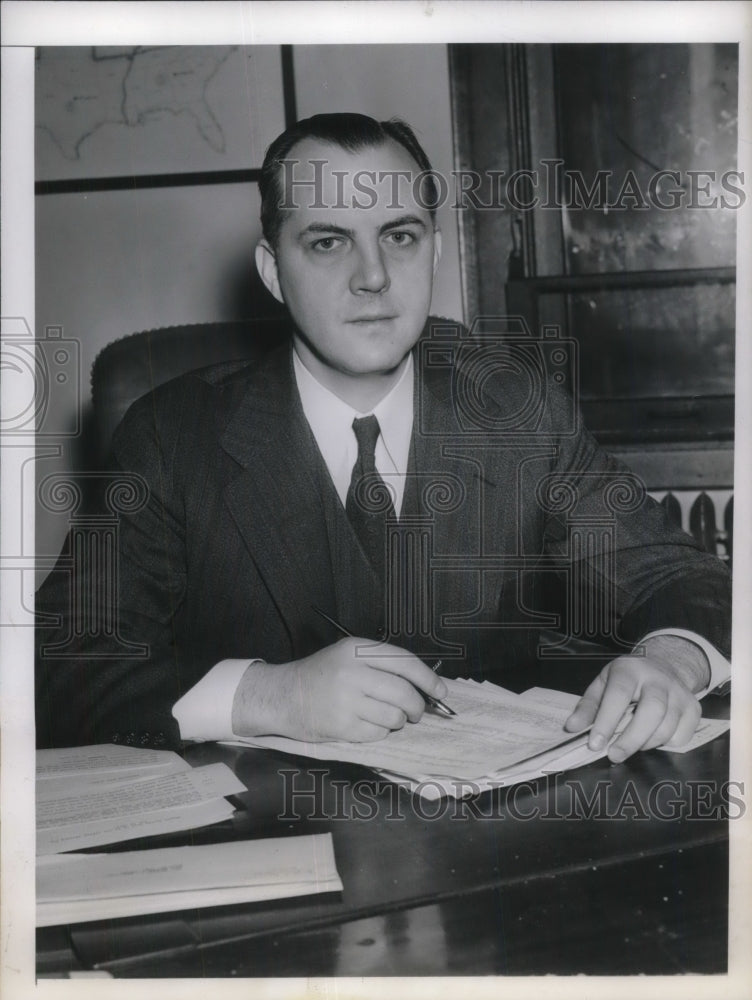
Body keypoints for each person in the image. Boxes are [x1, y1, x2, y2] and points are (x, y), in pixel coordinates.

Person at [36, 113, 731, 760]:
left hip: (488, 829)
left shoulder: (517, 410)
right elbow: (58, 666)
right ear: (274, 271)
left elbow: (683, 576)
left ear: (434, 252)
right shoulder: (172, 435)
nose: (372, 277)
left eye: (399, 237)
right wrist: (270, 695)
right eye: (328, 242)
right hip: (274, 828)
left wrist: (671, 660)